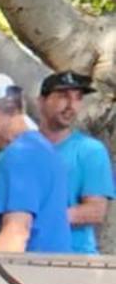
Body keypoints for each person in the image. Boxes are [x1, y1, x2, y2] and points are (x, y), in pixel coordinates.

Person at [0, 73, 72, 255]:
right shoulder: (45, 148)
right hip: (55, 274)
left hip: (30, 277)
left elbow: (16, 232)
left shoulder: (19, 156)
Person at [35, 69, 113, 254]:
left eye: (77, 98)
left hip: (72, 261)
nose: (71, 105)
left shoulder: (90, 150)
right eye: (63, 96)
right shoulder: (20, 150)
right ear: (41, 102)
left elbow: (95, 211)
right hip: (18, 257)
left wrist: (32, 221)